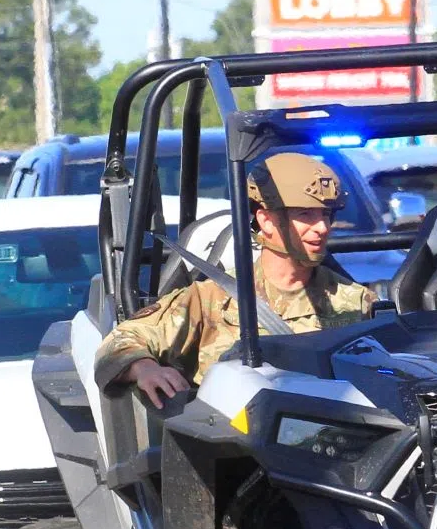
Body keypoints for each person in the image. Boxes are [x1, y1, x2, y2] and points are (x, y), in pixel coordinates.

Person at [94, 151, 377, 408]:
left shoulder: (355, 300)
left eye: (326, 215)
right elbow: (120, 341)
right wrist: (145, 368)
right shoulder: (212, 299)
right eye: (305, 215)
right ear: (266, 221)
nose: (322, 228)